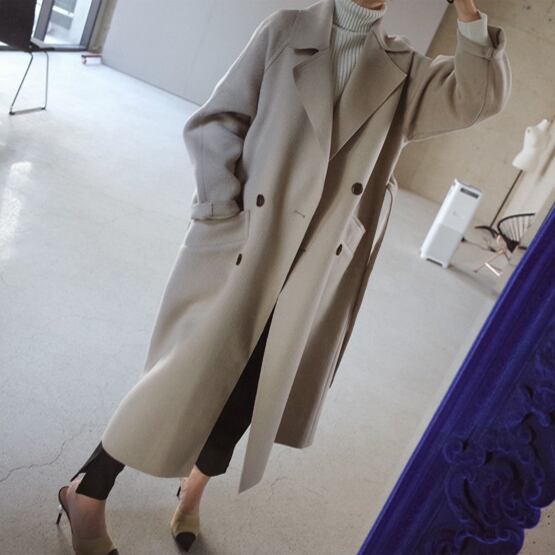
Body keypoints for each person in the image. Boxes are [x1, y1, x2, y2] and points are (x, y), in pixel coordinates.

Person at [56, 1, 506, 553]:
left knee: (253, 387)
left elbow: (479, 96)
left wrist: (469, 12)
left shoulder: (406, 67)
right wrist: (224, 213)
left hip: (316, 263)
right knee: (179, 375)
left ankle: (193, 489)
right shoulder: (287, 29)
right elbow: (217, 120)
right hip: (248, 243)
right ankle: (87, 490)